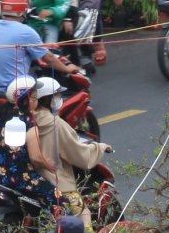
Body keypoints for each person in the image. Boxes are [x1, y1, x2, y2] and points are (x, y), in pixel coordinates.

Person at [23, 77, 112, 209]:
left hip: (29, 182)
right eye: (58, 95)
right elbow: (78, 154)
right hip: (57, 183)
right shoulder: (56, 124)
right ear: (48, 99)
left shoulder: (25, 120)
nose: (60, 99)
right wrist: (100, 147)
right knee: (83, 213)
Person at [0, 80, 59, 209]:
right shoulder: (28, 122)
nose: (36, 101)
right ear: (26, 100)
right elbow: (36, 158)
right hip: (20, 180)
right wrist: (51, 168)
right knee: (61, 201)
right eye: (34, 97)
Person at [0, 0, 80, 92]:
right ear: (24, 11)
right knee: (52, 95)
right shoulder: (26, 31)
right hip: (16, 90)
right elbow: (49, 58)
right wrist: (67, 69)